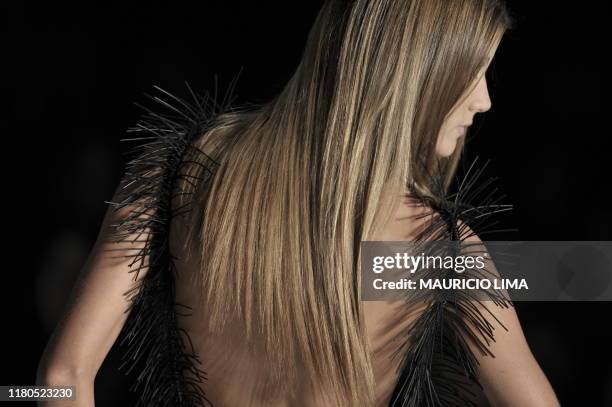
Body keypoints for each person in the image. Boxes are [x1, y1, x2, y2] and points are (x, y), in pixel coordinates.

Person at [36, 0, 560, 406]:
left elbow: (61, 378)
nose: (485, 99)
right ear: (418, 72)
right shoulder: (437, 251)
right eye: (476, 71)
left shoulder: (174, 177)